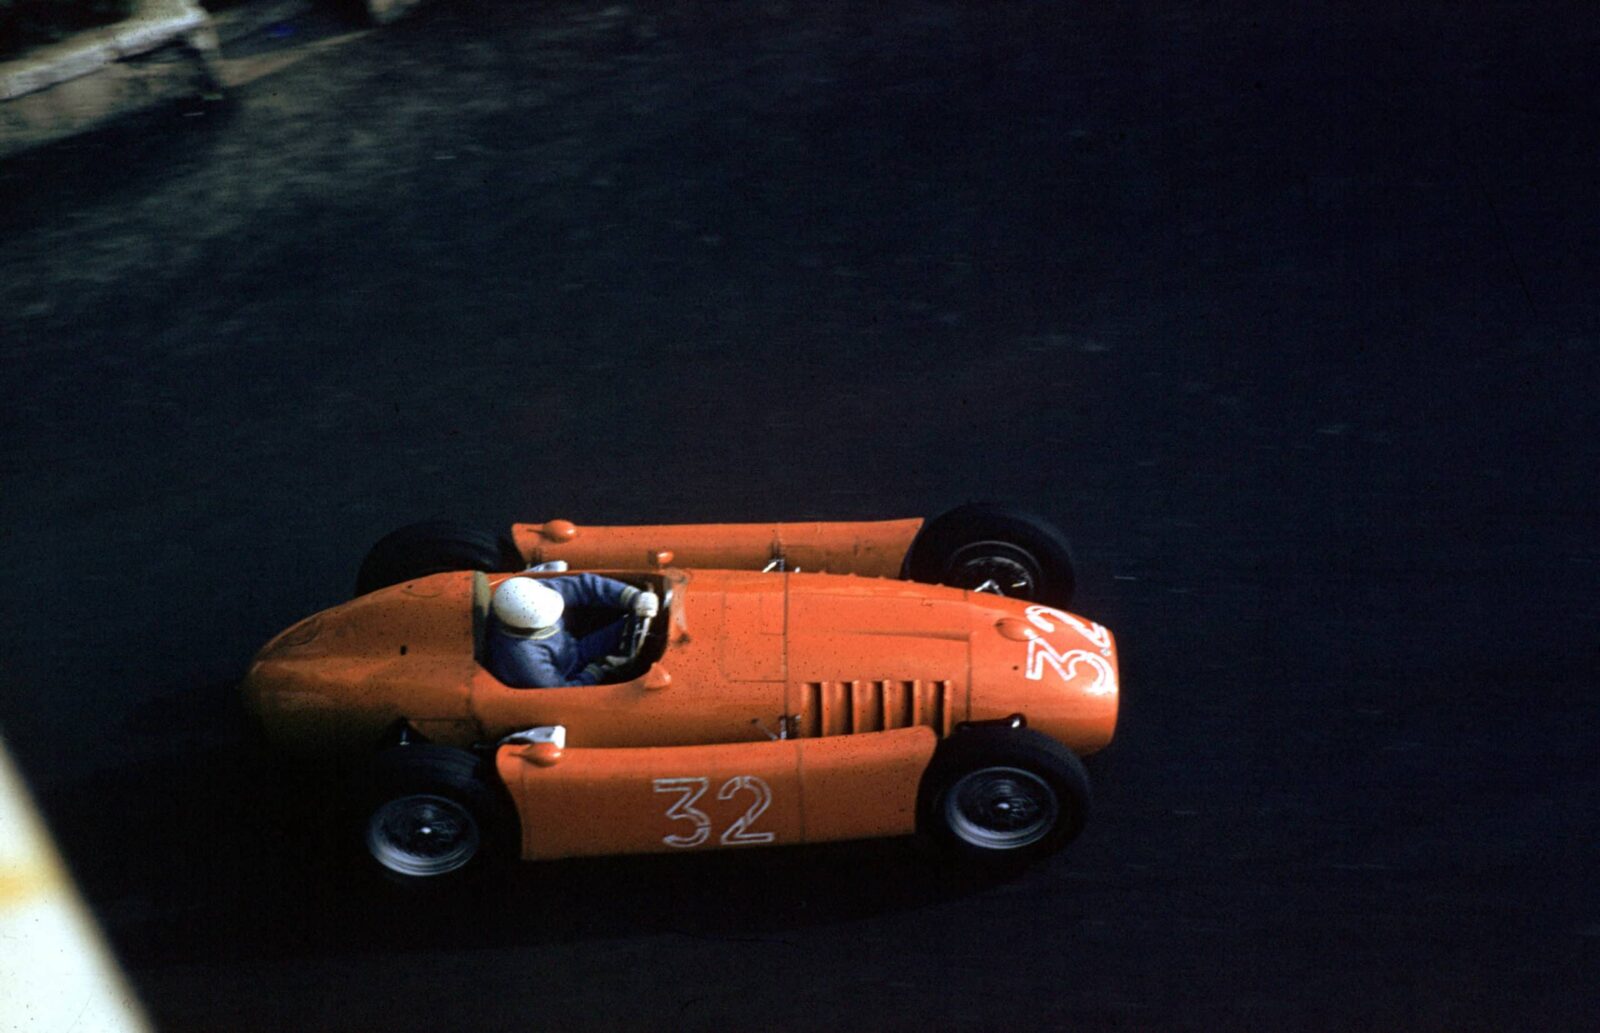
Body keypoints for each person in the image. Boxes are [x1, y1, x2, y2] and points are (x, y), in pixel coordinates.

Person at [487, 574, 660, 688]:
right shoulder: (523, 660)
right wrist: (598, 669)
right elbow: (560, 692)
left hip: (572, 650)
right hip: (570, 672)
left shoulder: (528, 596)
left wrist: (634, 597)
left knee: (629, 627)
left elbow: (583, 586)